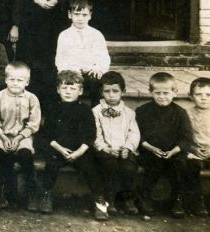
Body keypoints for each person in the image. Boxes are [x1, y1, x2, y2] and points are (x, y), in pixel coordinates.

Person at [38, 70, 109, 221]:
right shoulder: (53, 108)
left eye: (73, 88)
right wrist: (60, 148)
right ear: (58, 89)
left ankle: (99, 200)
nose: (68, 92)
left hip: (79, 151)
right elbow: (47, 134)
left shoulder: (85, 110)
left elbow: (90, 135)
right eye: (64, 88)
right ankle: (46, 194)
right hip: (58, 149)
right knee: (50, 165)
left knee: (90, 168)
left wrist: (79, 152)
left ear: (81, 91)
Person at [135, 72, 192, 218]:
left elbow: (186, 137)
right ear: (150, 92)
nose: (162, 96)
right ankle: (145, 197)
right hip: (149, 150)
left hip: (173, 152)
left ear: (174, 92)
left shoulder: (180, 113)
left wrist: (174, 150)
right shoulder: (142, 111)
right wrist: (150, 147)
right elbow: (137, 135)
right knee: (150, 164)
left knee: (180, 164)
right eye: (157, 93)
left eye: (166, 93)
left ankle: (177, 200)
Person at [0, 62, 41, 211]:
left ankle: (30, 194)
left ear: (27, 81)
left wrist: (19, 138)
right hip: (2, 135)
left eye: (20, 80)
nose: (15, 83)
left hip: (23, 136)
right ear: (5, 80)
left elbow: (33, 124)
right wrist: (3, 137)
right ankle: (4, 194)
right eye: (12, 79)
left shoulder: (32, 99)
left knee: (25, 155)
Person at [91, 71, 140, 215]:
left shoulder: (129, 113)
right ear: (101, 92)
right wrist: (105, 148)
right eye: (107, 91)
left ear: (123, 92)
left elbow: (134, 133)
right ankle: (109, 198)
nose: (111, 95)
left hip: (123, 150)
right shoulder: (96, 111)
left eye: (115, 91)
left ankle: (125, 197)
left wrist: (128, 148)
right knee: (109, 165)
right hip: (105, 151)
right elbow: (95, 133)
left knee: (129, 167)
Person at [55, 0, 110, 106]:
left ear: (90, 15)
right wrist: (71, 70)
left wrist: (97, 67)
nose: (80, 18)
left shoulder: (96, 34)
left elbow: (103, 56)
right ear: (70, 15)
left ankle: (95, 112)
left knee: (96, 83)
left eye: (84, 15)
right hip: (71, 72)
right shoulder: (64, 35)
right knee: (67, 84)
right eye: (76, 14)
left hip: (90, 72)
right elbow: (61, 58)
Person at [184, 77, 210, 216]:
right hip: (194, 151)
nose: (204, 98)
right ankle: (197, 201)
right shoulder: (186, 113)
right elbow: (184, 136)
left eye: (208, 95)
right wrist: (194, 149)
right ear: (190, 96)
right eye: (199, 94)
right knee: (191, 165)